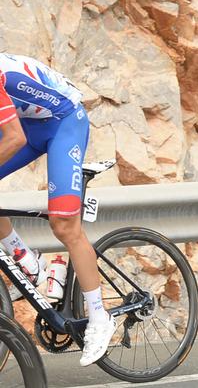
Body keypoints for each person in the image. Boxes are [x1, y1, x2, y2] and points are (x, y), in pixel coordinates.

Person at [0, 54, 117, 365]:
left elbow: (14, 138)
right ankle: (29, 261)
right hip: (30, 122)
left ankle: (99, 318)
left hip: (65, 123)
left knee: (64, 225)